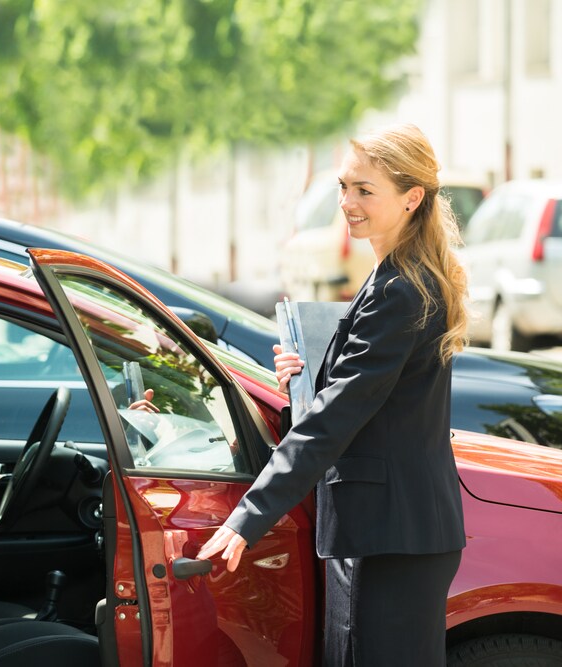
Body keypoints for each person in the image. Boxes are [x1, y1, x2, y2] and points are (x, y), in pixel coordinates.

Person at [197, 124, 468, 666]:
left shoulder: (400, 289)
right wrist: (306, 380)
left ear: (412, 198)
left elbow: (337, 417)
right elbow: (360, 398)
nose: (347, 202)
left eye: (365, 190)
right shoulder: (392, 276)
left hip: (394, 539)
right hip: (383, 531)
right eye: (345, 186)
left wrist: (248, 517)